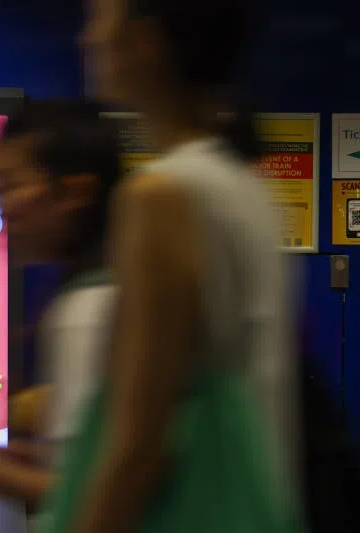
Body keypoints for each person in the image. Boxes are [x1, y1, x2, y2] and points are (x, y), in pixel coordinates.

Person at [38, 1, 304, 532]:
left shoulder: (159, 196)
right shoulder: (247, 186)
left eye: (101, 18)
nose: (88, 38)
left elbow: (138, 447)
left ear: (147, 41)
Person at [0, 99, 121, 509]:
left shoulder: (86, 314)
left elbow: (86, 498)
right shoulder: (109, 289)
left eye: (11, 186)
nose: (2, 207)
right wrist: (30, 458)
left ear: (76, 192)